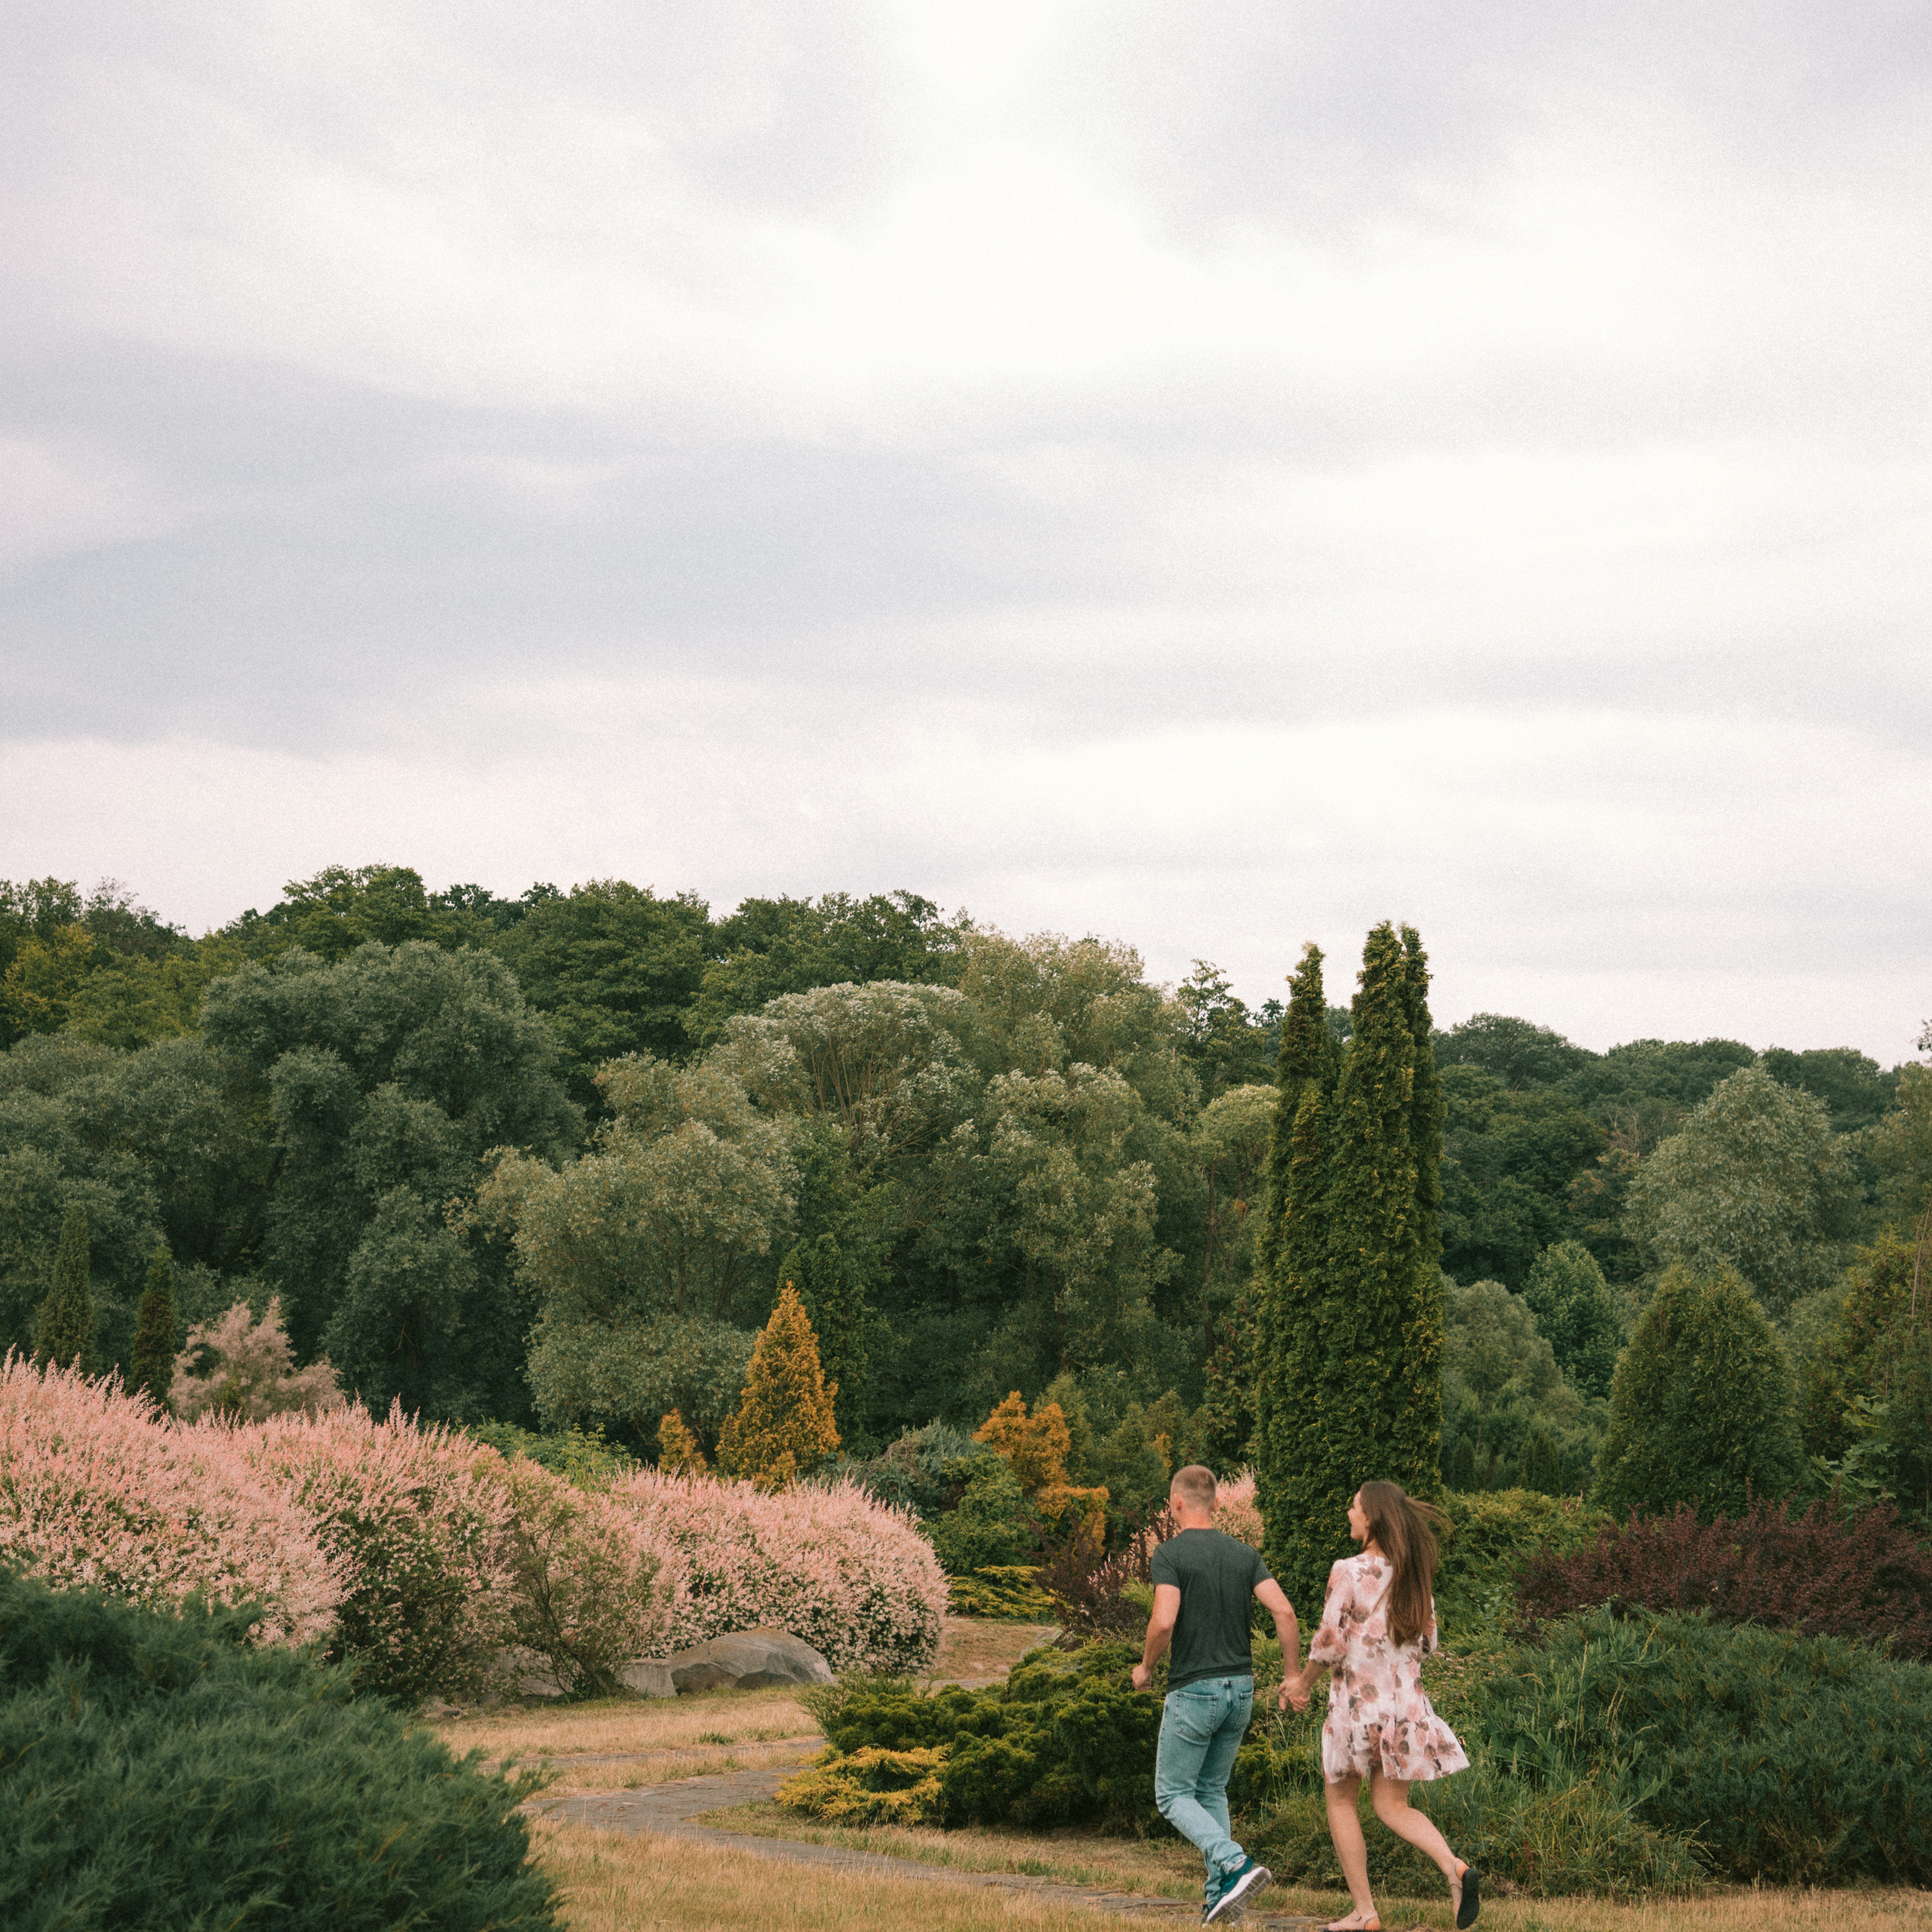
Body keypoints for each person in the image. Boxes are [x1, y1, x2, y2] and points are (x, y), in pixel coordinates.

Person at [1281, 1480, 1478, 1932]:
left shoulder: (1348, 1570)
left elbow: (1330, 1642)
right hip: (1405, 1711)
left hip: (1356, 1709)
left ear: (1370, 1517)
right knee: (1392, 1808)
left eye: (1354, 1507)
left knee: (1341, 1802)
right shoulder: (1414, 1576)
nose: (1349, 1514)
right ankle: (1454, 1869)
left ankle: (1365, 1913)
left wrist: (1300, 1684)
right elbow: (1427, 1644)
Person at [1133, 1463, 1303, 1924]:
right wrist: (1291, 1676)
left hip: (1194, 1691)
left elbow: (1164, 1620)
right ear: (1218, 1503)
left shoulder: (1169, 1554)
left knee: (1171, 1794)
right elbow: (1285, 1613)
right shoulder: (1244, 1554)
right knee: (1211, 1790)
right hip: (1242, 1691)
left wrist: (1146, 1667)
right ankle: (1218, 1899)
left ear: (1176, 1502)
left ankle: (1233, 1862)